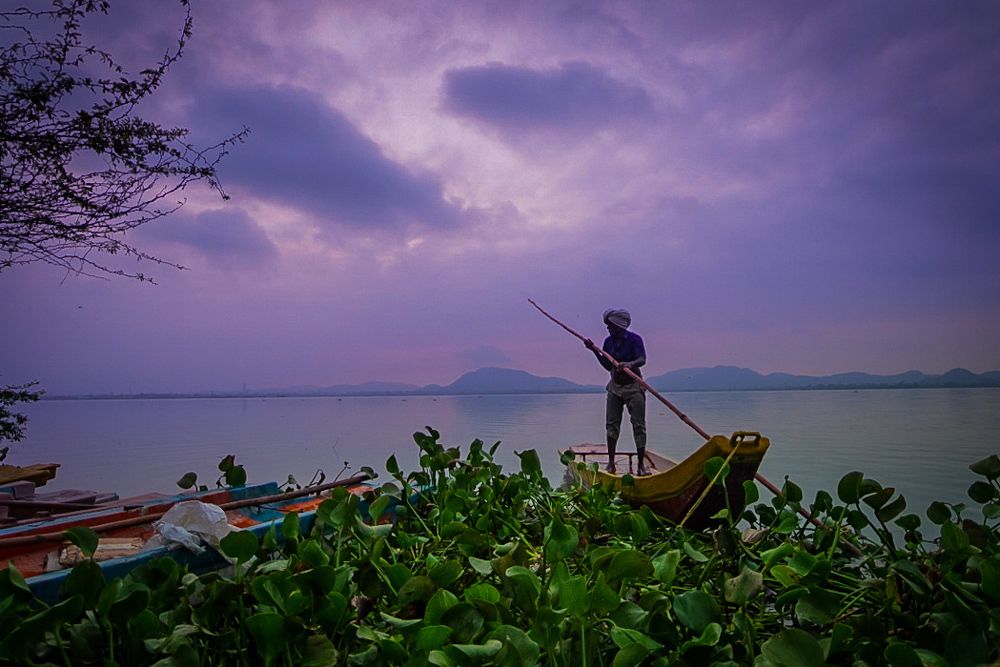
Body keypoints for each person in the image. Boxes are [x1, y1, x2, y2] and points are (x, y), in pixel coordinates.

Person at [584, 309, 648, 475]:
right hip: (615, 387)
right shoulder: (608, 342)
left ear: (619, 325)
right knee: (612, 425)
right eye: (607, 326)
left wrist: (629, 364)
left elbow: (642, 359)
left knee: (639, 426)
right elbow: (607, 366)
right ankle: (611, 463)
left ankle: (641, 465)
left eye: (610, 326)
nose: (608, 329)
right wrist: (594, 351)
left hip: (634, 387)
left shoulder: (634, 339)